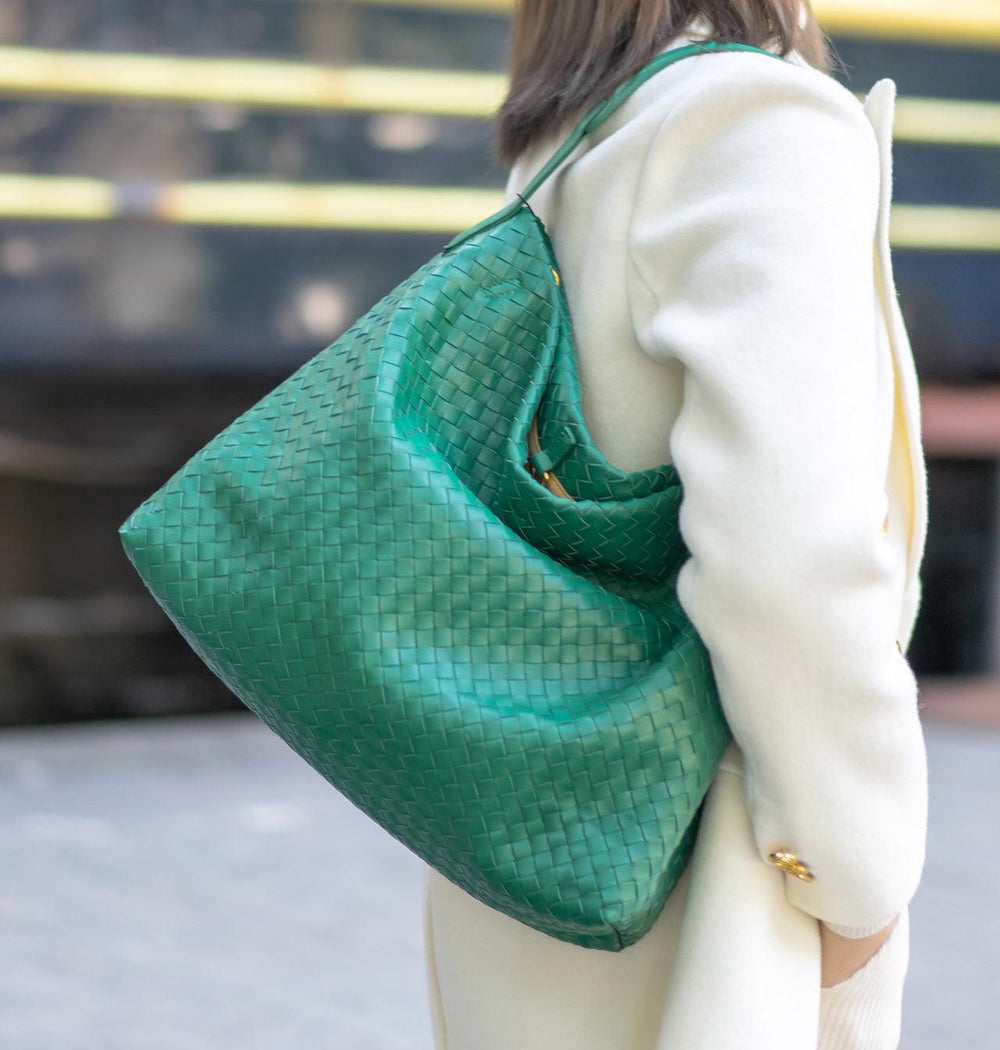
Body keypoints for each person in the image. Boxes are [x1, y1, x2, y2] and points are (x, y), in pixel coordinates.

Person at [422, 1, 929, 1047]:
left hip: (537, 863)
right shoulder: (757, 122)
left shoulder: (580, 134)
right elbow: (789, 557)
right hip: (716, 899)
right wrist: (857, 881)